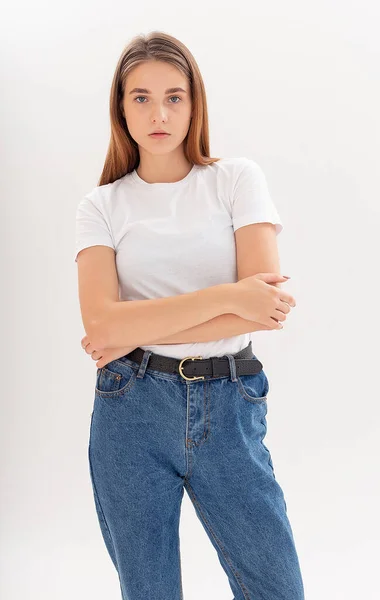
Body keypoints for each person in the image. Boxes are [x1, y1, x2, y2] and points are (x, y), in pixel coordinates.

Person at [75, 30, 305, 600]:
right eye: (141, 97)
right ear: (120, 108)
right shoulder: (101, 207)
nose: (159, 113)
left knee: (277, 588)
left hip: (230, 406)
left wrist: (132, 323)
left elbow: (266, 311)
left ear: (195, 104)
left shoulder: (235, 180)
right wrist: (228, 297)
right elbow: (101, 327)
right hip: (131, 410)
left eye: (174, 97)